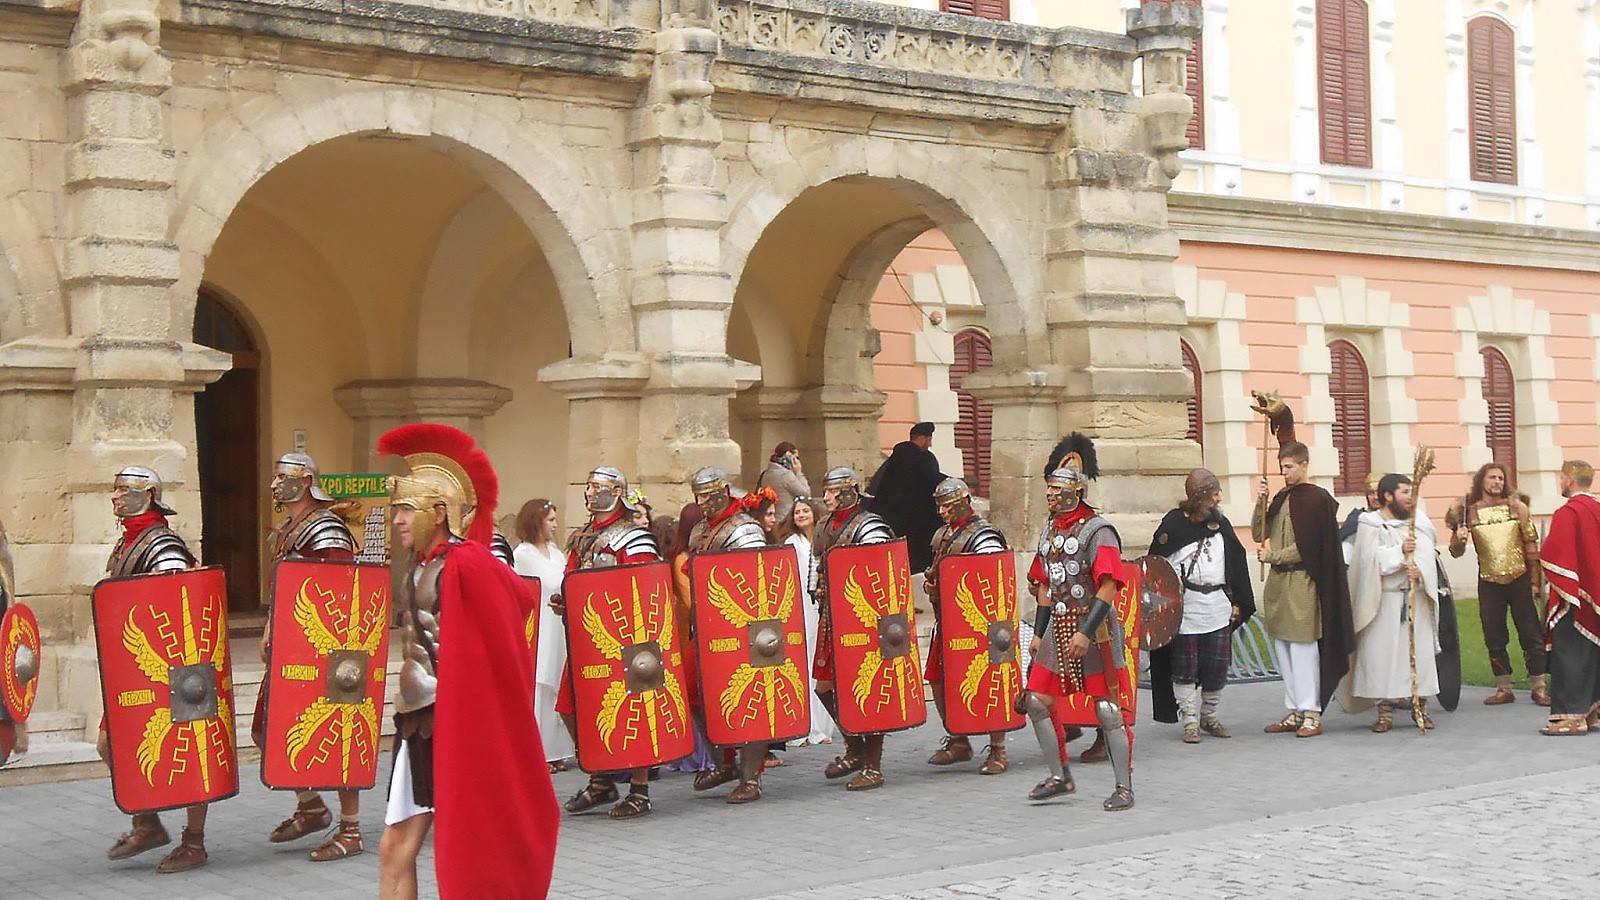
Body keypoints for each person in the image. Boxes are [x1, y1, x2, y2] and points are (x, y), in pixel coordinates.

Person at [375, 424, 557, 899]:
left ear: (438, 513)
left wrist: (475, 719)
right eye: (396, 510)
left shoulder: (468, 564)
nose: (397, 519)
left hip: (455, 726)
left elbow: (501, 636)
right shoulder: (419, 564)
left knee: (459, 850)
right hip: (418, 722)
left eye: (406, 509)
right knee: (394, 848)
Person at [95, 466, 209, 873]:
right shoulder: (127, 542)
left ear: (147, 496)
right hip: (141, 670)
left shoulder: (163, 545)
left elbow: (178, 605)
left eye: (123, 490)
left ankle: (194, 842)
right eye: (115, 489)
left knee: (192, 753)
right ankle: (147, 824)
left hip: (176, 670)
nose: (115, 497)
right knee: (110, 743)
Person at [255, 453, 363, 861]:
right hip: (291, 647)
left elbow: (341, 592)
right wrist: (271, 629)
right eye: (274, 477)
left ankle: (351, 829)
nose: (274, 484)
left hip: (327, 651)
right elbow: (283, 589)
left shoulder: (326, 530)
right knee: (267, 728)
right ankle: (311, 806)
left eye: (282, 477)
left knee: (338, 734)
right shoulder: (290, 530)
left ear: (305, 481)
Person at [1019, 434, 1135, 811]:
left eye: (1056, 490)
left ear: (1076, 492)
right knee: (1036, 701)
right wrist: (1038, 634)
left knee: (1108, 710)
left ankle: (1124, 787)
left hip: (1095, 630)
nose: (1049, 495)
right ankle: (1060, 776)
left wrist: (1086, 633)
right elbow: (1044, 586)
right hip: (1058, 627)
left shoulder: (1098, 531)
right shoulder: (1050, 530)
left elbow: (1108, 587)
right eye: (1049, 489)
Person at [554, 466, 663, 820]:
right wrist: (565, 600)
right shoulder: (583, 536)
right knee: (570, 705)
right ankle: (601, 779)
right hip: (588, 638)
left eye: (596, 487)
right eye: (588, 486)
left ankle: (640, 790)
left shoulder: (634, 538)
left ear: (616, 492)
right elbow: (572, 579)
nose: (589, 493)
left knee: (635, 709)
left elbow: (645, 589)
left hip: (627, 640)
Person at [1249, 396, 1356, 738]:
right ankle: (1295, 709)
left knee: (1304, 649)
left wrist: (1273, 558)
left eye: (1289, 467)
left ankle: (1311, 712)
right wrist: (1261, 501)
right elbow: (1259, 533)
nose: (1285, 473)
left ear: (1304, 464)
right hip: (1279, 587)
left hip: (1303, 586)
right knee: (1284, 648)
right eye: (1282, 467)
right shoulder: (1282, 498)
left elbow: (1307, 548)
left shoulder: (1317, 500)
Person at [681, 467, 774, 803]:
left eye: (708, 495)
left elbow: (757, 579)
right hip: (706, 625)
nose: (702, 502)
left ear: (723, 492)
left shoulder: (744, 528)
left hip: (743, 627)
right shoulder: (701, 530)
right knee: (692, 689)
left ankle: (751, 777)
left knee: (748, 698)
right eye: (698, 496)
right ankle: (724, 761)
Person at [1148, 468, 1256, 743]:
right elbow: (1157, 569)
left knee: (1216, 667)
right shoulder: (1173, 527)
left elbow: (1235, 563)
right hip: (1187, 610)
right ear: (1198, 498)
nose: (1219, 499)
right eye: (1214, 494)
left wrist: (1236, 600)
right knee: (1185, 668)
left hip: (1218, 606)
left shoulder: (1221, 524)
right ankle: (1190, 721)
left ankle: (1209, 716)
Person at [813, 466, 896, 791]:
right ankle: (855, 748)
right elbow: (817, 566)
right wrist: (816, 590)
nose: (827, 497)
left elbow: (880, 573)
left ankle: (873, 766)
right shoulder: (824, 525)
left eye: (833, 492)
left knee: (867, 687)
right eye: (826, 491)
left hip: (864, 620)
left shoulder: (869, 526)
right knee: (825, 687)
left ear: (849, 492)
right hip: (831, 617)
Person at [922, 477, 1011, 774]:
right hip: (947, 621)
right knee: (937, 677)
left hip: (980, 625)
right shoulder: (943, 535)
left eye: (947, 506)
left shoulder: (983, 536)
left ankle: (998, 748)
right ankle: (958, 739)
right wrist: (932, 585)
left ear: (962, 503)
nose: (942, 512)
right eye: (939, 506)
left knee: (989, 680)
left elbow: (992, 578)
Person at [1344, 474, 1441, 732]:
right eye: (1404, 492)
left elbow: (1428, 555)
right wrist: (1399, 553)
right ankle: (1384, 711)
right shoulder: (1370, 524)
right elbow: (1368, 561)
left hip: (1415, 598)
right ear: (1388, 496)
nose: (1410, 497)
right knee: (1381, 656)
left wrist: (1420, 571)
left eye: (1411, 492)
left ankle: (1420, 707)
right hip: (1383, 600)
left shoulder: (1419, 522)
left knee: (1418, 655)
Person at [1445, 462, 1548, 706]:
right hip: (1489, 580)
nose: (1497, 482)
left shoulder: (1517, 508)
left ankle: (1539, 687)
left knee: (1531, 633)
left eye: (1500, 478)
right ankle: (1504, 687)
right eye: (1492, 477)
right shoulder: (1468, 511)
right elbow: (1455, 551)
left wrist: (1535, 581)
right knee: (1493, 634)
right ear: (1482, 480)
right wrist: (1459, 539)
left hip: (1519, 578)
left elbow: (1531, 545)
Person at [511, 498, 576, 771]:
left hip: (558, 627)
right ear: (536, 521)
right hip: (538, 629)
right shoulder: (522, 555)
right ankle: (537, 753)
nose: (555, 525)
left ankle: (558, 751)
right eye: (550, 520)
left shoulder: (556, 553)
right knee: (539, 686)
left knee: (557, 687)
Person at [1538, 460, 1600, 735]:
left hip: (1573, 598)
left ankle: (1571, 717)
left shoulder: (1568, 512)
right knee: (1592, 653)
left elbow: (1554, 553)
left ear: (1570, 480)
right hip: (1595, 594)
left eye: (1561, 477)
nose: (1560, 482)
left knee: (1570, 655)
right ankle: (1591, 711)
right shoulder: (1598, 509)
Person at [781, 498, 835, 747]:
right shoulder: (791, 544)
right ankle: (807, 726)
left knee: (821, 665)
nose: (801, 515)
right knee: (803, 665)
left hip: (820, 609)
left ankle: (823, 725)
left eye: (805, 511)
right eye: (797, 512)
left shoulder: (824, 540)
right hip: (800, 610)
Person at [867, 422, 943, 572]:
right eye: (929, 440)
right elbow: (934, 480)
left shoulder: (894, 459)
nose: (929, 444)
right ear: (923, 439)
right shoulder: (923, 459)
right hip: (918, 524)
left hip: (891, 521)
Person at [759, 442, 812, 523]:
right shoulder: (785, 475)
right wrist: (799, 473)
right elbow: (806, 494)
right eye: (796, 458)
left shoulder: (765, 474)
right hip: (785, 521)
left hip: (771, 520)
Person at [1339, 472, 1381, 564]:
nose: (1376, 497)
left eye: (1379, 493)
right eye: (1371, 493)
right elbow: (1346, 553)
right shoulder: (1357, 519)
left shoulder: (1396, 519)